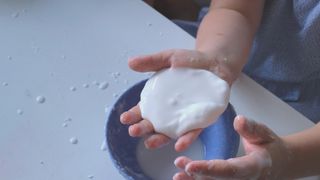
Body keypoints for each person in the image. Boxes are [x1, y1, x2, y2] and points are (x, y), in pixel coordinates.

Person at [120, 0, 320, 179]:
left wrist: (288, 158)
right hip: (226, 44)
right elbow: (235, 8)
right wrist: (216, 58)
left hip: (303, 112)